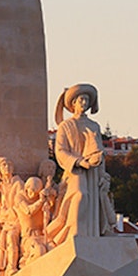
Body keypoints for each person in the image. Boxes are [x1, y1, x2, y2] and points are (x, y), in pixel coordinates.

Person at [47, 83, 107, 246]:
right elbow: (60, 151)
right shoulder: (66, 126)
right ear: (73, 103)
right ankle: (72, 230)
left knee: (93, 202)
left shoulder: (94, 126)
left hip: (93, 172)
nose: (84, 103)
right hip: (75, 171)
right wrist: (79, 162)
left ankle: (90, 234)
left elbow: (100, 151)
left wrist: (102, 174)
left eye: (87, 100)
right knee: (80, 195)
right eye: (81, 99)